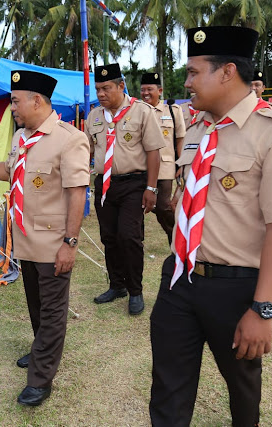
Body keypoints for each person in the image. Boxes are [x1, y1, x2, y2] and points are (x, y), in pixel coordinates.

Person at [149, 26, 272, 427]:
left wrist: (263, 308)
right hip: (179, 277)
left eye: (192, 72)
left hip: (235, 286)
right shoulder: (200, 127)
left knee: (241, 388)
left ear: (226, 73)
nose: (186, 82)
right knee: (167, 386)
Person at [0, 70, 90, 406]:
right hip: (24, 241)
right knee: (36, 306)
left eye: (16, 101)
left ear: (37, 100)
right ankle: (39, 351)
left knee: (52, 313)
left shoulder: (69, 138)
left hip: (53, 244)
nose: (12, 108)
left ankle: (41, 379)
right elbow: (8, 171)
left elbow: (77, 194)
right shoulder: (21, 138)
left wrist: (70, 243)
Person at [85, 63, 164, 315]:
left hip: (134, 183)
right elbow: (86, 149)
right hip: (105, 183)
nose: (101, 94)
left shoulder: (142, 112)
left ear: (121, 86)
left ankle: (135, 291)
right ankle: (116, 285)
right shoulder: (94, 116)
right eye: (97, 89)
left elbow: (154, 152)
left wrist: (151, 187)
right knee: (108, 237)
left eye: (106, 88)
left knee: (129, 237)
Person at [140, 72, 186, 244]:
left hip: (165, 168)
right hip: (141, 167)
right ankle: (138, 242)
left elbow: (180, 138)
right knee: (138, 208)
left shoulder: (173, 111)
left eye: (150, 89)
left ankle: (178, 238)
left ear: (159, 90)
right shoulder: (137, 111)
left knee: (163, 207)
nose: (145, 93)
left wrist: (181, 163)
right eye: (143, 90)